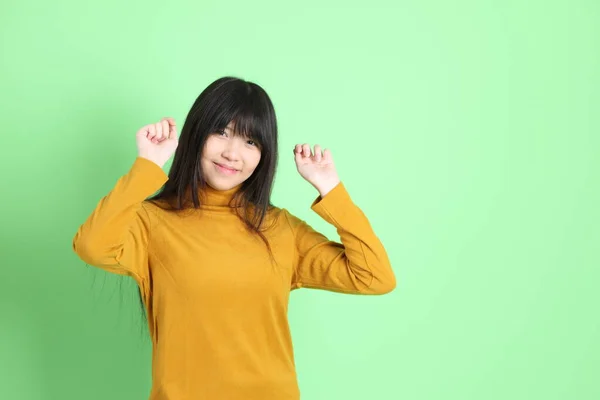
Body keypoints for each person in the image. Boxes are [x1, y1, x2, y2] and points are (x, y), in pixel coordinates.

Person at [72, 76, 396, 400]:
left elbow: (375, 276)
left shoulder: (280, 229)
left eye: (250, 142)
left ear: (264, 155)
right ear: (196, 134)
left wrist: (330, 188)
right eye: (221, 133)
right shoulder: (152, 222)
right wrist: (147, 166)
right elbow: (92, 246)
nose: (232, 153)